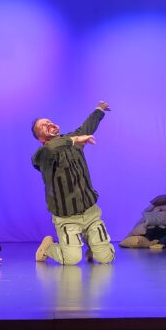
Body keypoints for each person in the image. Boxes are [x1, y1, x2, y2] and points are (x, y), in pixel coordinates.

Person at [31, 101, 116, 266]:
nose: (48, 124)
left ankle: (94, 244)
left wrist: (99, 109)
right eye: (42, 125)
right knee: (72, 260)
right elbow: (50, 149)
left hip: (90, 212)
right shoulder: (42, 155)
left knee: (105, 259)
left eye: (49, 121)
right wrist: (75, 139)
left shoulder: (72, 140)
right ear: (40, 138)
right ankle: (47, 248)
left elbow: (87, 127)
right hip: (66, 217)